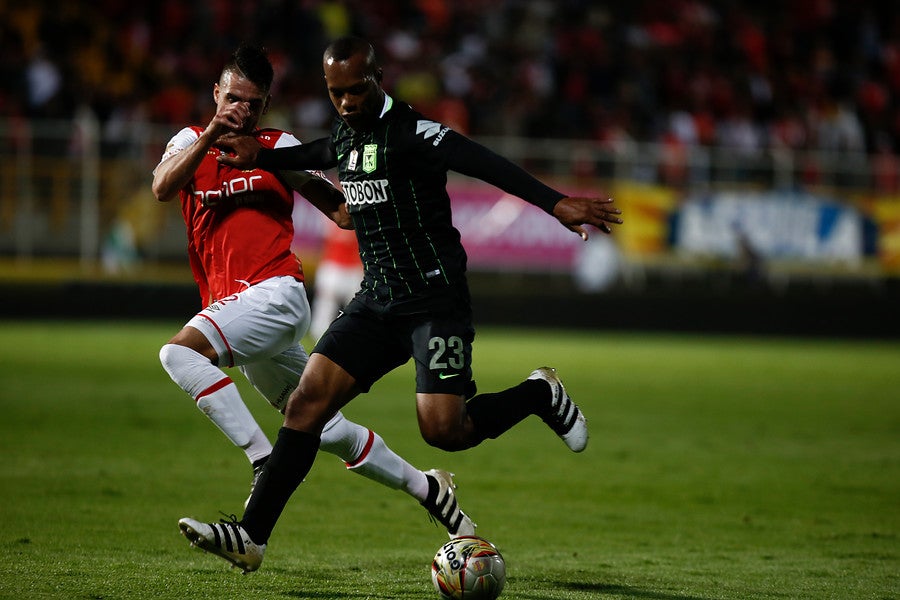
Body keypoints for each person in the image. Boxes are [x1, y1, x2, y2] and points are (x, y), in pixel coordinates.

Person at [178, 36, 622, 573]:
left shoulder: (414, 132)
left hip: (435, 300)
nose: (346, 103)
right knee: (306, 403)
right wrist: (264, 156)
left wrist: (557, 203)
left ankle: (538, 393)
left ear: (378, 78)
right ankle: (251, 537)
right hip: (377, 299)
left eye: (355, 90)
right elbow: (321, 152)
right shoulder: (347, 132)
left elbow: (485, 163)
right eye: (336, 93)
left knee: (444, 431)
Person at [151, 44, 475, 552]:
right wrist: (212, 132)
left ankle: (263, 461)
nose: (241, 110)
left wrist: (395, 198)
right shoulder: (190, 141)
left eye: (252, 103)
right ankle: (431, 489)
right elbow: (163, 187)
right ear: (216, 94)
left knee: (178, 354)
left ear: (266, 105)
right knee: (322, 426)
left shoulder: (277, 147)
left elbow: (341, 211)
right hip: (234, 308)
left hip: (276, 295)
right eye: (232, 98)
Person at [309, 223, 363, 340]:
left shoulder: (362, 220)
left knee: (355, 306)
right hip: (333, 265)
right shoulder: (329, 219)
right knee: (326, 304)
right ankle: (319, 335)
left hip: (354, 268)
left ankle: (354, 335)